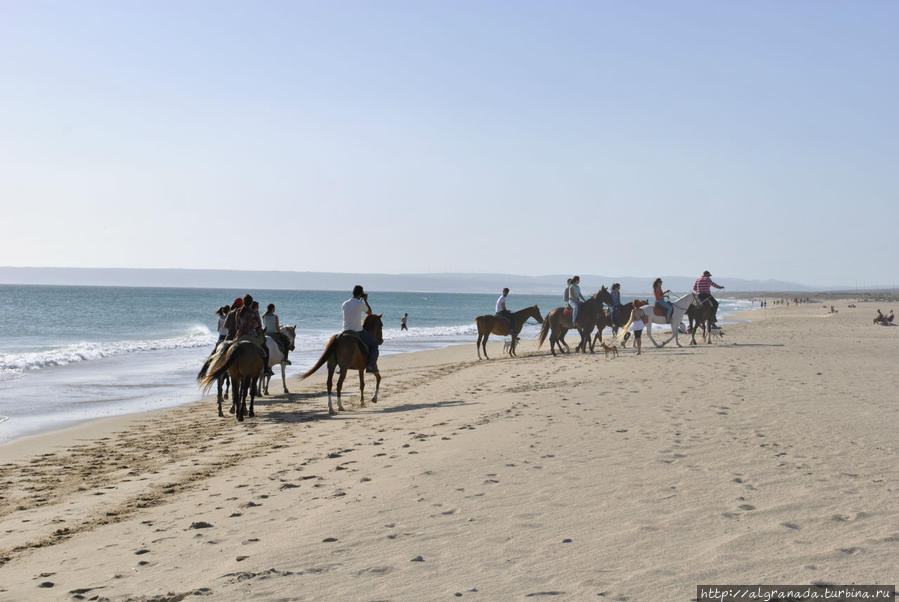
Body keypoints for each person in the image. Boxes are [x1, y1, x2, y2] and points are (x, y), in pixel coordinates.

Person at [342, 285, 379, 374]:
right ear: (361, 294)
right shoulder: (360, 304)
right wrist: (365, 300)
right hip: (357, 331)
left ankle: (339, 366)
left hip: (345, 331)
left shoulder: (345, 303)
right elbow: (370, 312)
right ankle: (370, 366)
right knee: (374, 344)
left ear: (353, 293)